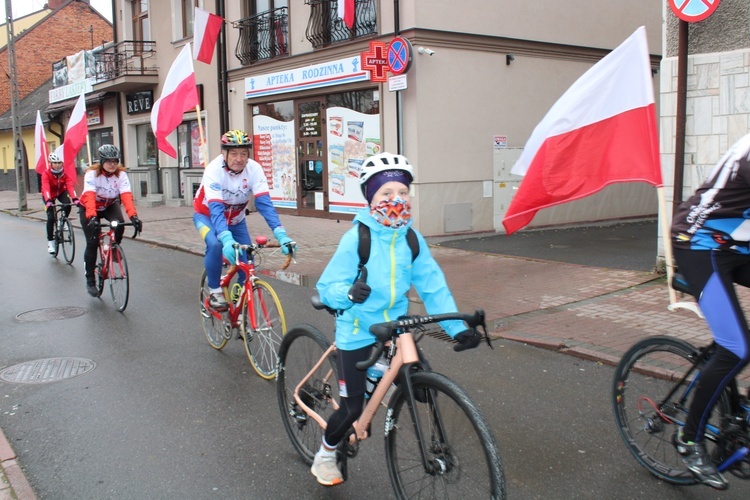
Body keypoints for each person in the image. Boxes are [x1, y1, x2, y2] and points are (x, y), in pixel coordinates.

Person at [311, 152, 481, 486]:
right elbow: (326, 286)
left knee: (425, 388)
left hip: (396, 329)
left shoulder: (412, 240)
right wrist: (347, 293)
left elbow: (434, 288)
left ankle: (381, 385)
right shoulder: (357, 239)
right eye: (386, 194)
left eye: (402, 193)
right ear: (370, 198)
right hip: (358, 330)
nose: (396, 200)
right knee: (352, 410)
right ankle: (326, 453)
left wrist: (457, 329)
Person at [670, 132, 750, 491]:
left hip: (735, 245)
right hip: (699, 243)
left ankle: (741, 409)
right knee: (736, 348)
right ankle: (689, 440)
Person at [193, 129, 296, 310]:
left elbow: (264, 204)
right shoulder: (213, 170)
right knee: (216, 245)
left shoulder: (254, 169)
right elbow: (216, 209)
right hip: (207, 216)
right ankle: (215, 291)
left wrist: (281, 234)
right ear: (224, 153)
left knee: (247, 260)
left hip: (236, 220)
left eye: (243, 154)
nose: (239, 159)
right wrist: (225, 238)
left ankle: (239, 304)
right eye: (233, 153)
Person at [79, 145, 142, 296]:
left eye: (115, 161)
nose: (112, 164)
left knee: (119, 224)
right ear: (101, 161)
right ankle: (90, 280)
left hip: (109, 205)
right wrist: (92, 217)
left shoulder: (121, 175)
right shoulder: (92, 174)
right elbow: (89, 196)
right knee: (93, 241)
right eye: (108, 161)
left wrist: (134, 216)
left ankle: (114, 248)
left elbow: (126, 196)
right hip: (90, 206)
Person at [41, 152, 79, 254]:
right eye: (55, 163)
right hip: (49, 194)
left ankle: (62, 221)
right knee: (51, 218)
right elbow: (46, 187)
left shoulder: (65, 173)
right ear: (51, 163)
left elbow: (70, 186)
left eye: (59, 163)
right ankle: (50, 242)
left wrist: (75, 198)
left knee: (67, 204)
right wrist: (48, 200)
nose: (57, 165)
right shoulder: (46, 173)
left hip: (61, 192)